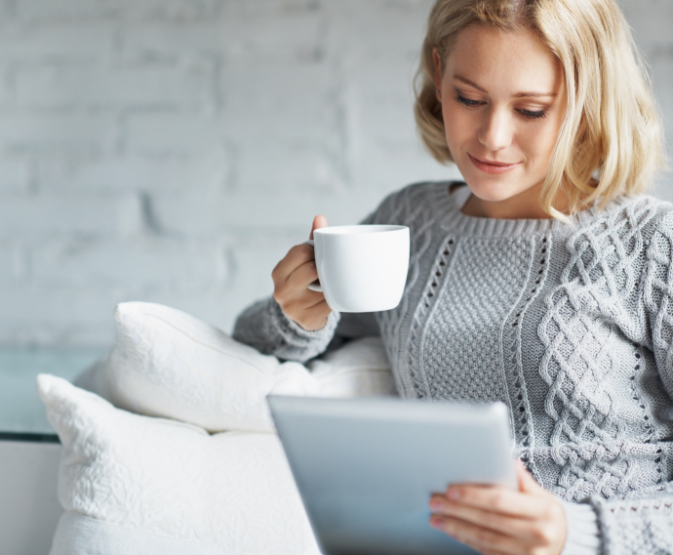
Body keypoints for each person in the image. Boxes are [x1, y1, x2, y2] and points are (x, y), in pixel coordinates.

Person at [232, 0, 670, 553]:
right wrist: (293, 314)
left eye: (531, 109)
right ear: (439, 77)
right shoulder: (408, 224)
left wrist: (572, 533)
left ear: (588, 102)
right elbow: (251, 350)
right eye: (470, 98)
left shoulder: (650, 247)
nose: (491, 136)